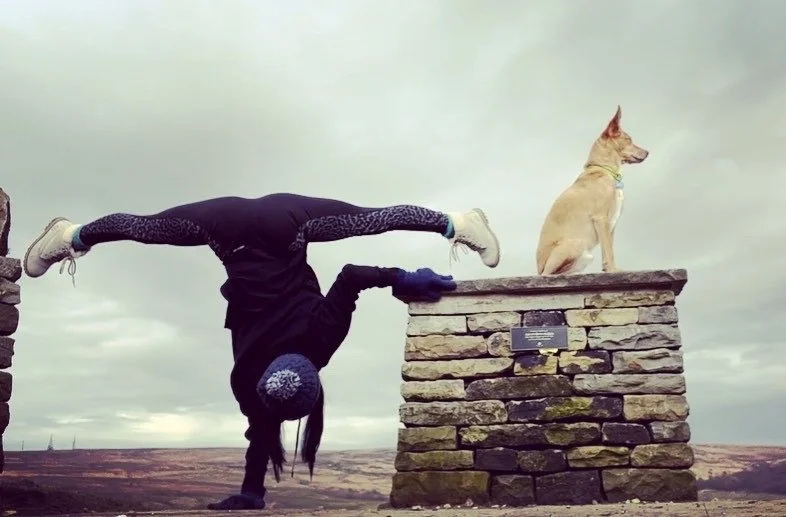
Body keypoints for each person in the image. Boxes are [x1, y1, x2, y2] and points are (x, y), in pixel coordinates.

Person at [23, 193, 501, 511]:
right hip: (233, 230)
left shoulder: (320, 342)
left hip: (282, 223)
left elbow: (353, 273)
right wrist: (250, 491)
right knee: (143, 228)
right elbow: (261, 423)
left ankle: (455, 224)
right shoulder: (247, 379)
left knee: (370, 220)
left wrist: (402, 278)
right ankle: (69, 235)